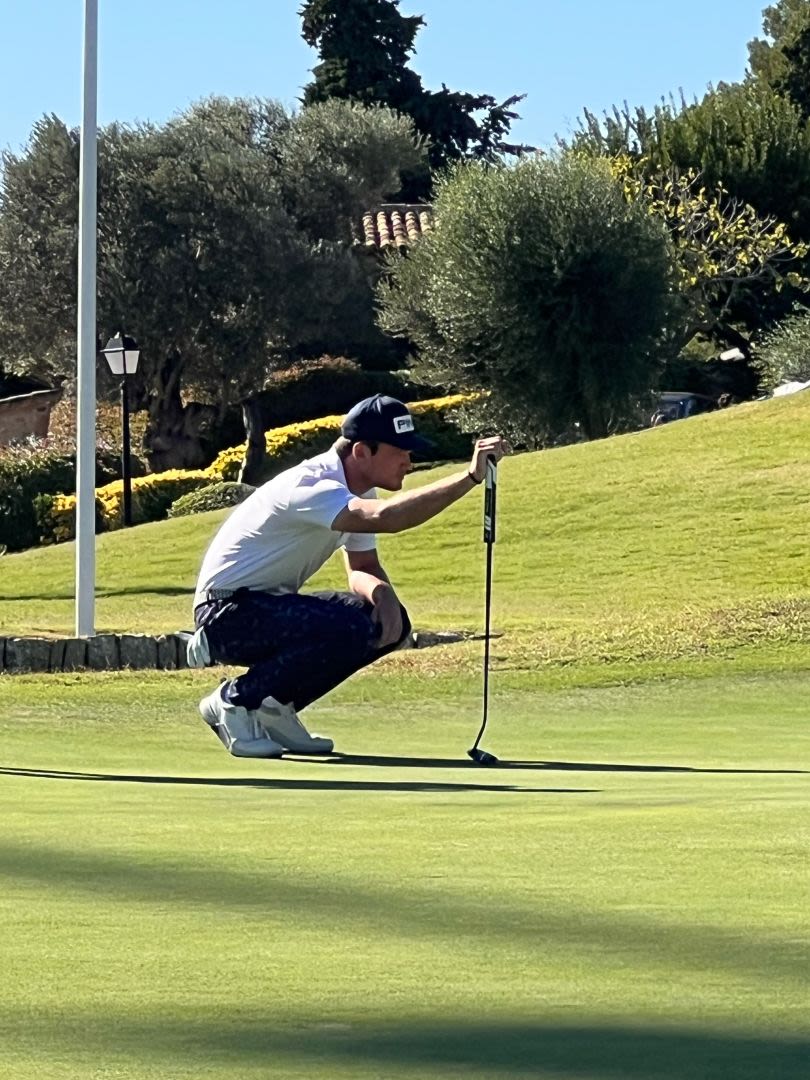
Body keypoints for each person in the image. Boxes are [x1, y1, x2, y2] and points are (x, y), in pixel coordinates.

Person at [190, 393, 507, 758]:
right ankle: (234, 700)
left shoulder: (357, 489)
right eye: (400, 450)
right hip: (225, 613)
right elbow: (384, 517)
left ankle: (274, 707)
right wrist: (469, 477)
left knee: (386, 622)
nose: (409, 460)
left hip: (266, 607)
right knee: (347, 625)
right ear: (361, 452)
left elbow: (362, 568)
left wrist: (383, 596)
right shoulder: (311, 485)